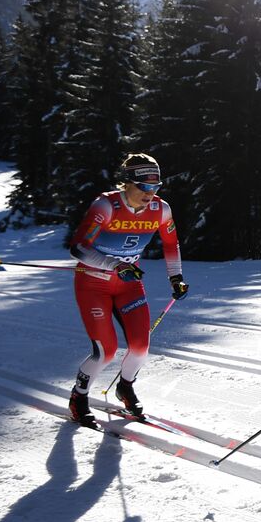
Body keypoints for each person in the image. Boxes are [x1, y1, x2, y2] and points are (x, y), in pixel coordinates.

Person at [66, 153, 189, 428]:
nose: (150, 193)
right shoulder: (106, 206)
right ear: (128, 184)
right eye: (144, 186)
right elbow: (78, 247)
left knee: (140, 347)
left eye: (156, 186)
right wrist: (114, 264)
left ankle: (125, 387)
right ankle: (79, 397)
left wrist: (176, 278)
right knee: (105, 352)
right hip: (93, 283)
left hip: (128, 284)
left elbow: (171, 245)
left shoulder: (161, 210)